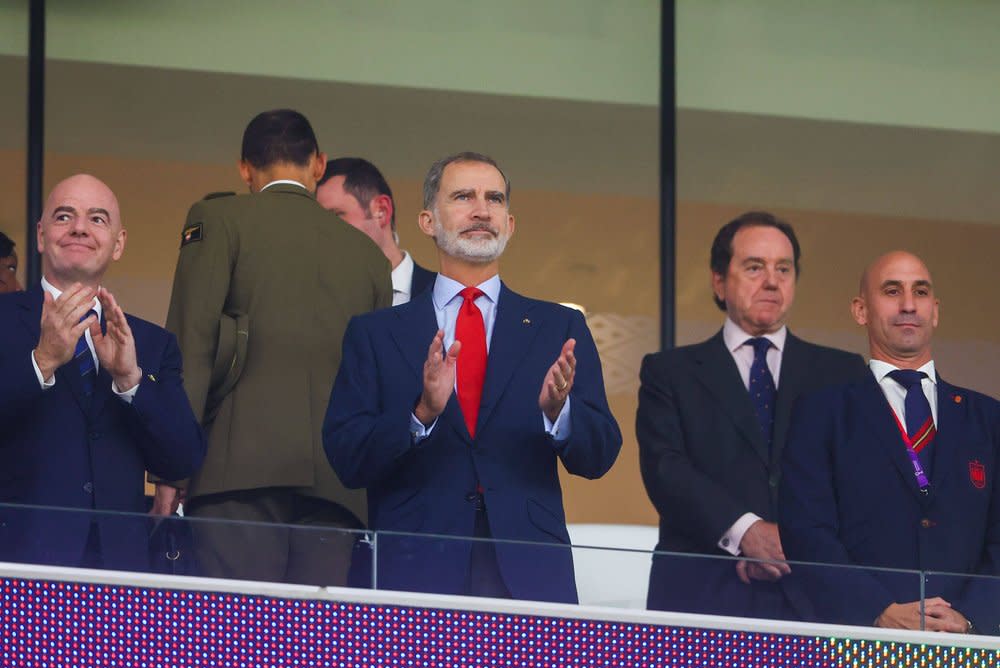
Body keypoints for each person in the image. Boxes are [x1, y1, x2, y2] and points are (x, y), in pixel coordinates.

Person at [323, 152, 621, 603]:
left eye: (494, 199)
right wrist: (421, 413)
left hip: (529, 572)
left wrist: (559, 414)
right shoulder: (376, 333)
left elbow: (600, 454)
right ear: (427, 221)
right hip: (413, 569)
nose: (482, 210)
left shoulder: (558, 328)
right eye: (463, 197)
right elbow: (346, 457)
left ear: (511, 223)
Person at [161, 110, 392, 586]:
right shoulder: (368, 256)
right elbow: (372, 381)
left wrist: (171, 467)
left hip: (236, 478)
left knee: (237, 643)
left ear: (245, 168)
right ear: (319, 164)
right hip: (336, 488)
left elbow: (193, 343)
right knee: (312, 651)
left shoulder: (217, 218)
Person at [636, 211, 868, 619]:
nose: (772, 281)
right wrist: (746, 533)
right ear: (719, 281)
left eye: (784, 268)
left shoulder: (843, 373)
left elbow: (860, 480)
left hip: (817, 600)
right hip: (702, 598)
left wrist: (797, 542)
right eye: (754, 267)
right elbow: (665, 469)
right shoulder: (670, 372)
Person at [780, 251, 1000, 634]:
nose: (909, 305)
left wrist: (969, 617)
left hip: (967, 650)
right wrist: (878, 609)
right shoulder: (822, 413)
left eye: (921, 292)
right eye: (892, 291)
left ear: (935, 311)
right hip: (857, 645)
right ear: (860, 310)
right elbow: (807, 533)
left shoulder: (989, 418)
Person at [0, 174, 205, 570]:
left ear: (118, 243)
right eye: (64, 217)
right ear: (41, 236)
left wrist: (131, 380)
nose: (79, 227)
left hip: (118, 568)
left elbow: (183, 459)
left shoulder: (151, 343)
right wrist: (40, 362)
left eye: (97, 219)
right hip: (15, 560)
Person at [317, 157, 435, 305]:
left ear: (382, 212)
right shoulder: (315, 302)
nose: (322, 233)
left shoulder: (443, 294)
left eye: (335, 217)